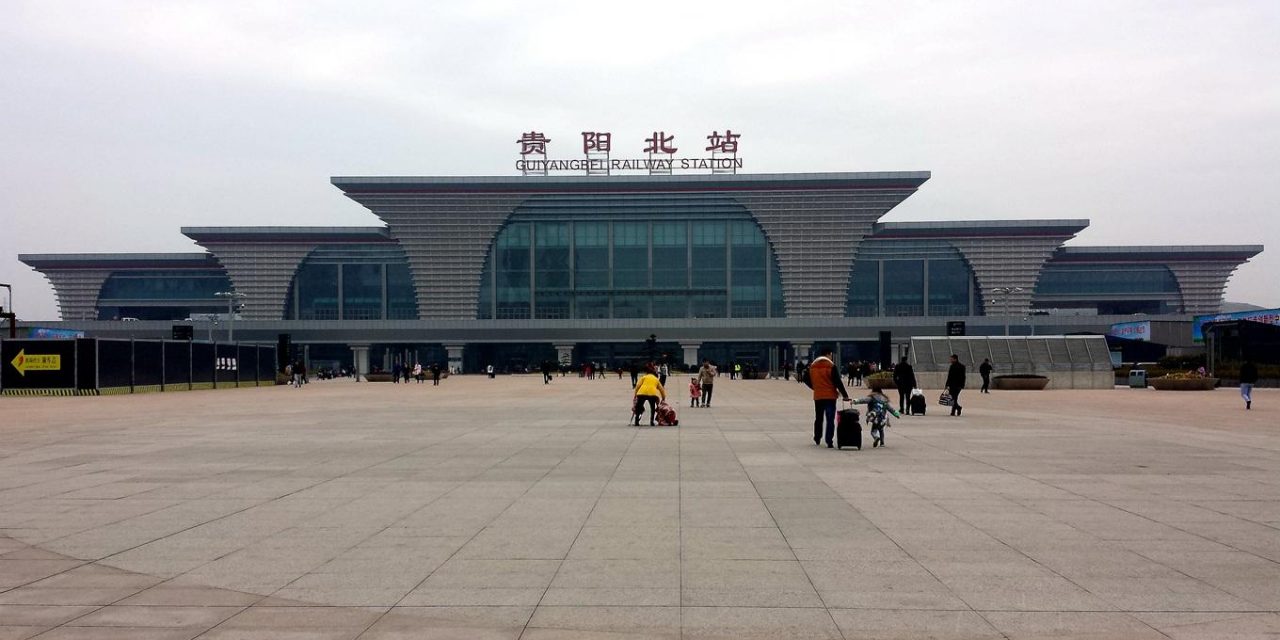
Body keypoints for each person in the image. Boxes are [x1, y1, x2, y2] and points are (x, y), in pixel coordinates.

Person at [805, 347, 850, 448]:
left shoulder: (812, 365)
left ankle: (817, 437)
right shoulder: (831, 366)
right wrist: (845, 395)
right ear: (828, 354)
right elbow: (837, 382)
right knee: (830, 419)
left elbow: (805, 378)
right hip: (830, 396)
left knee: (818, 418)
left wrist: (815, 387)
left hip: (818, 396)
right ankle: (829, 440)